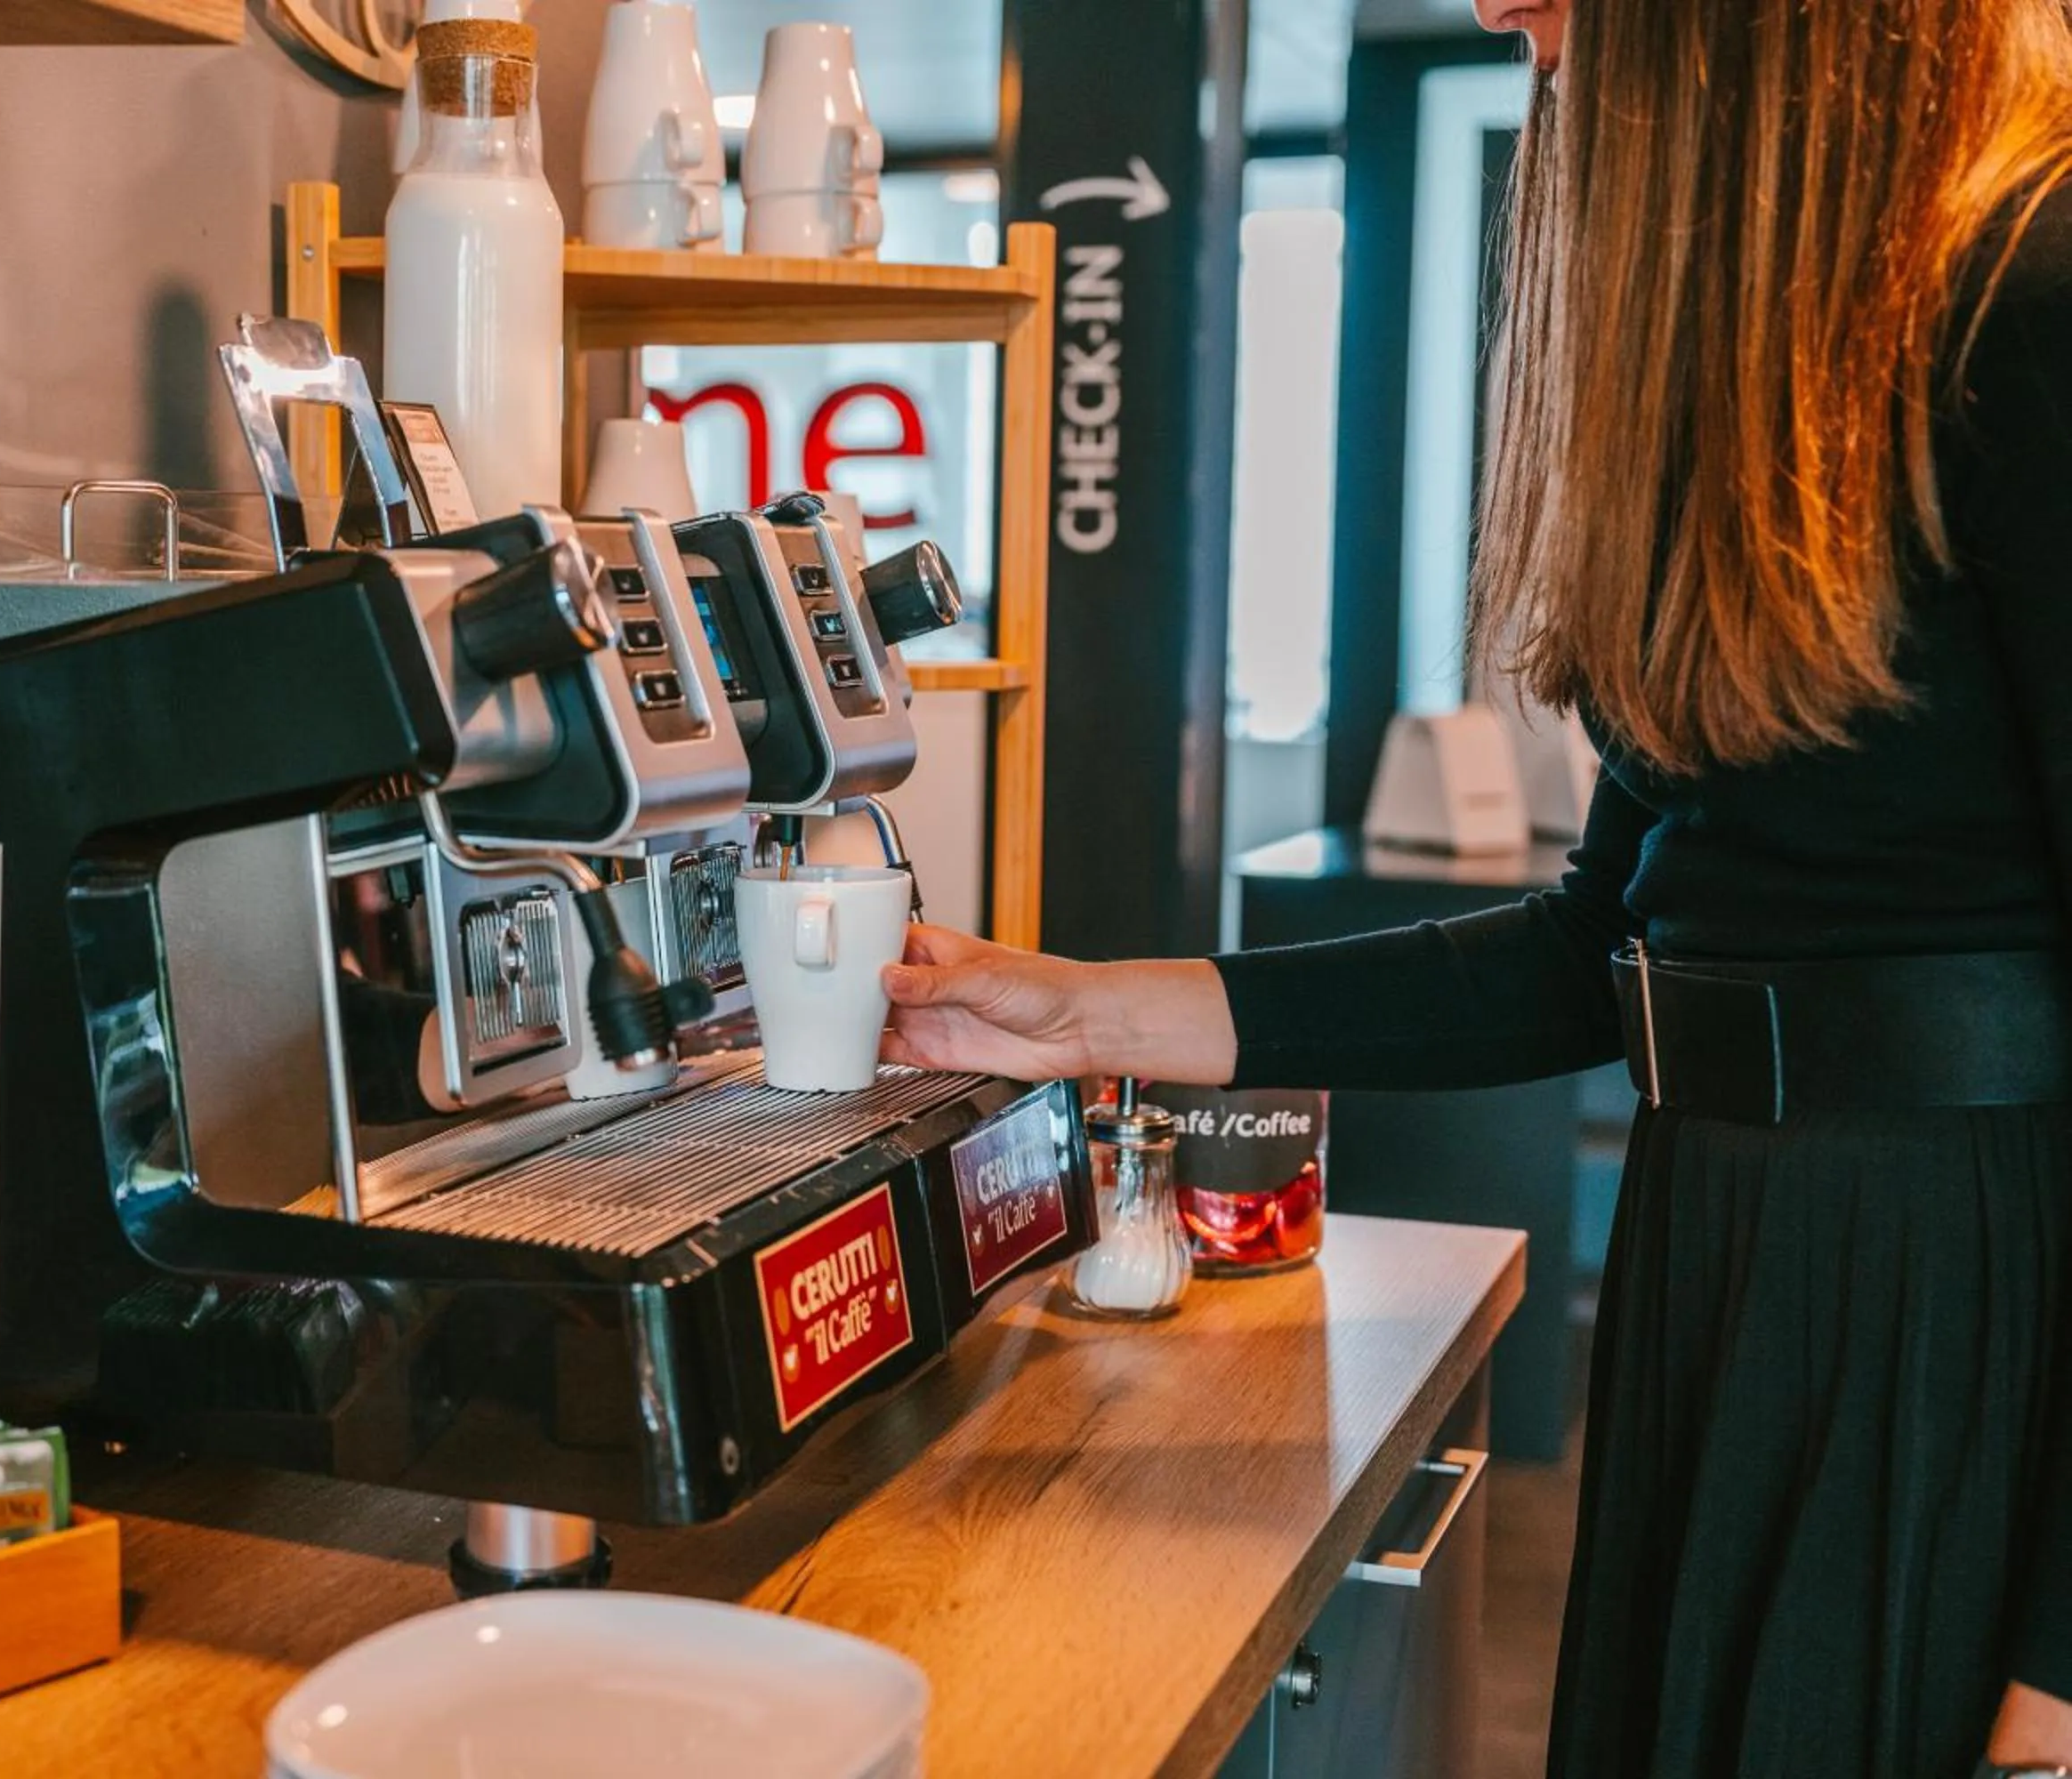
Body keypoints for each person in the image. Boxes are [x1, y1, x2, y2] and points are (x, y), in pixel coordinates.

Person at [882, 1, 2072, 1774]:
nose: (1499, 5)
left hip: (1953, 1316)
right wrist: (1088, 1007)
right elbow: (1599, 949)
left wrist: (2057, 1675)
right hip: (1721, 1272)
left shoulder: (2035, 294)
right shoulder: (1777, 369)